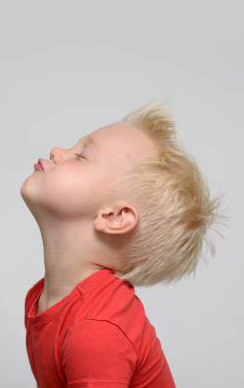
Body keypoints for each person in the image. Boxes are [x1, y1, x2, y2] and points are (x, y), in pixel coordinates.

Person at [20, 100, 224, 387]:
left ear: (114, 217)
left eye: (80, 156)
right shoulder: (46, 300)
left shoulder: (95, 330)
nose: (57, 152)